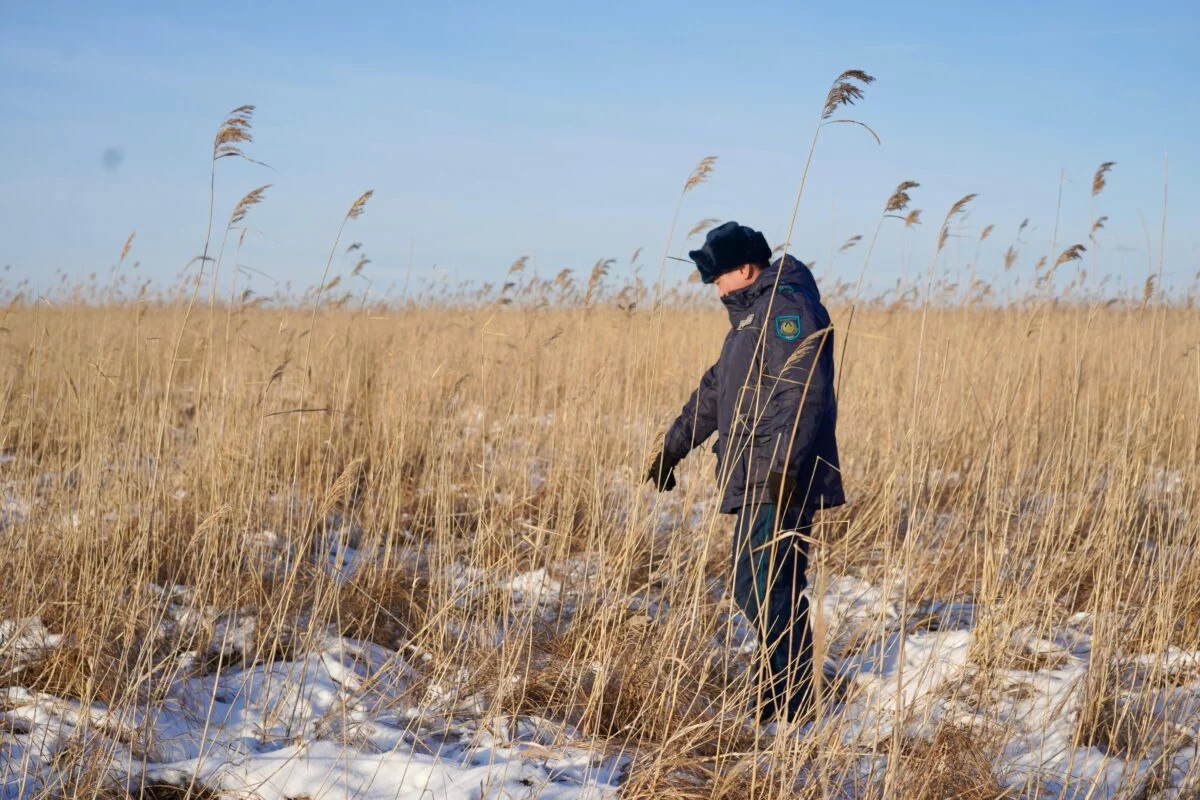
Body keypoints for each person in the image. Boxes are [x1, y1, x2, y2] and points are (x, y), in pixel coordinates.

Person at [645, 221, 844, 724]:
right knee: (754, 585)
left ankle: (790, 700)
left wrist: (783, 470)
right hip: (756, 476)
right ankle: (790, 688)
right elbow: (716, 391)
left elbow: (803, 395)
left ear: (745, 268)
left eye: (717, 276)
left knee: (764, 586)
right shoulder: (749, 319)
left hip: (778, 478)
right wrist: (673, 448)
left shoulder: (787, 310)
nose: (713, 287)